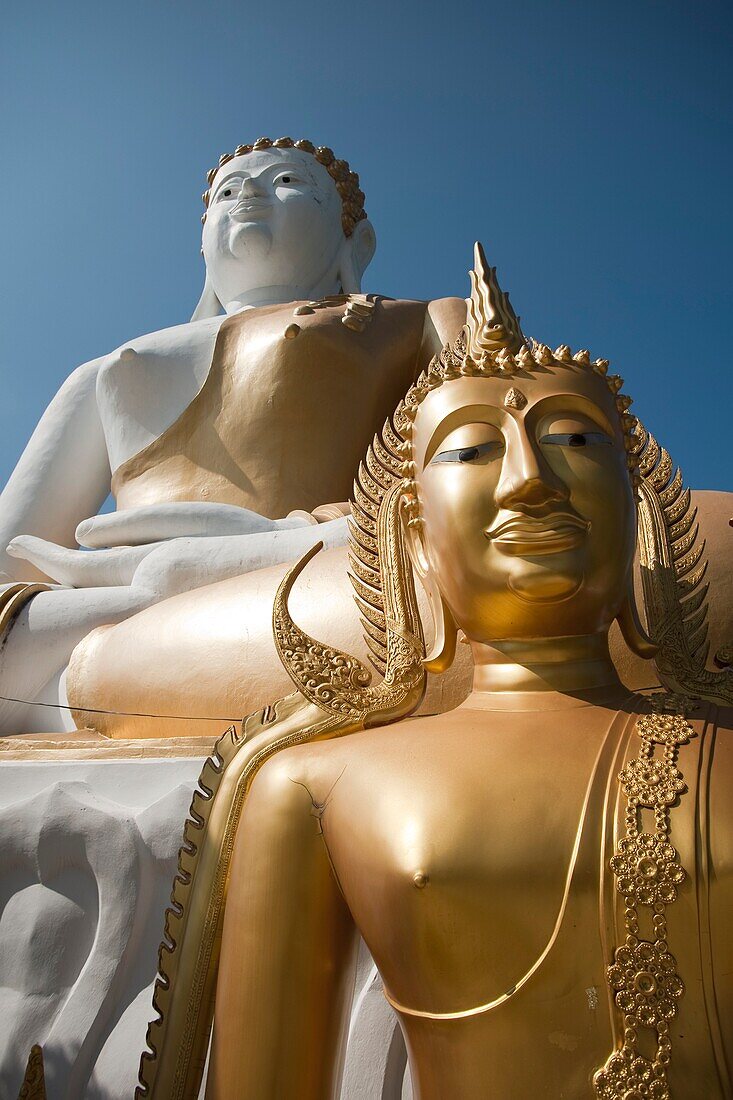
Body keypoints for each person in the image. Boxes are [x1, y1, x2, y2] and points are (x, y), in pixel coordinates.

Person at [138, 247, 732, 1099]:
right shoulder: (315, 782)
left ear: (638, 511)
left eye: (572, 438)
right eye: (469, 452)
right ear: (410, 537)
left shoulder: (719, 745)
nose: (531, 481)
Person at [0, 137, 464, 733]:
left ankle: (118, 668)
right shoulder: (110, 370)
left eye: (288, 182)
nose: (247, 192)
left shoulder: (422, 323)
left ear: (357, 239)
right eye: (226, 191)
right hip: (99, 610)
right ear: (201, 243)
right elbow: (10, 564)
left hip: (327, 579)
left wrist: (273, 542)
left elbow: (488, 495)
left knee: (477, 610)